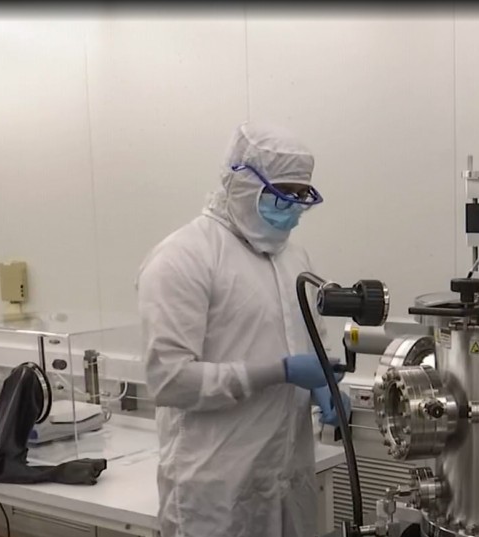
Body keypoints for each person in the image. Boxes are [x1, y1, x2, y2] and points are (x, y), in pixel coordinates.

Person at [136, 122, 351, 537]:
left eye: (300, 196)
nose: (291, 208)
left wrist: (324, 386)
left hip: (287, 479)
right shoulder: (183, 258)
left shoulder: (293, 258)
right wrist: (279, 372)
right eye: (281, 193)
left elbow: (313, 342)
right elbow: (169, 380)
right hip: (215, 492)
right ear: (240, 181)